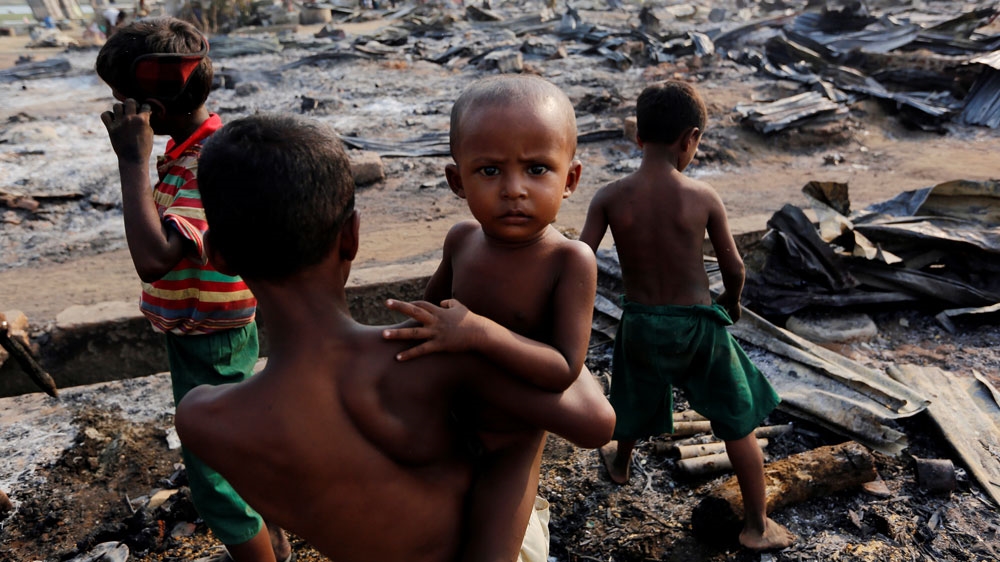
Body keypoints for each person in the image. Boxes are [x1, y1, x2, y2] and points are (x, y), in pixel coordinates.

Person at [172, 113, 616, 562]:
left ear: (218, 257)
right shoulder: (434, 357)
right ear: (352, 236)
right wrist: (510, 331)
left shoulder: (204, 420)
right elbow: (594, 422)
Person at [96, 18, 291, 562]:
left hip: (214, 340)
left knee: (214, 479)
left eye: (122, 97)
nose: (117, 107)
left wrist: (131, 161)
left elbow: (154, 259)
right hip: (197, 331)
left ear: (153, 105)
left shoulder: (208, 162)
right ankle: (272, 544)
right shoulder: (189, 149)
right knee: (239, 449)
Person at [381, 73, 596, 561]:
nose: (514, 190)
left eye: (537, 168)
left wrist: (480, 333)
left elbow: (564, 366)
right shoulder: (462, 241)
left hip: (511, 443)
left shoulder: (569, 261)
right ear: (457, 180)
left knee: (491, 553)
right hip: (449, 425)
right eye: (490, 171)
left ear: (571, 180)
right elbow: (431, 318)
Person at [578, 80, 797, 551]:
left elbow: (580, 259)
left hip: (639, 323)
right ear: (690, 139)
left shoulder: (610, 197)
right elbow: (734, 267)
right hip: (697, 326)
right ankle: (757, 526)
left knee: (633, 396)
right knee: (737, 419)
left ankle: (619, 464)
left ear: (637, 135)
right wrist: (732, 304)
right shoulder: (702, 197)